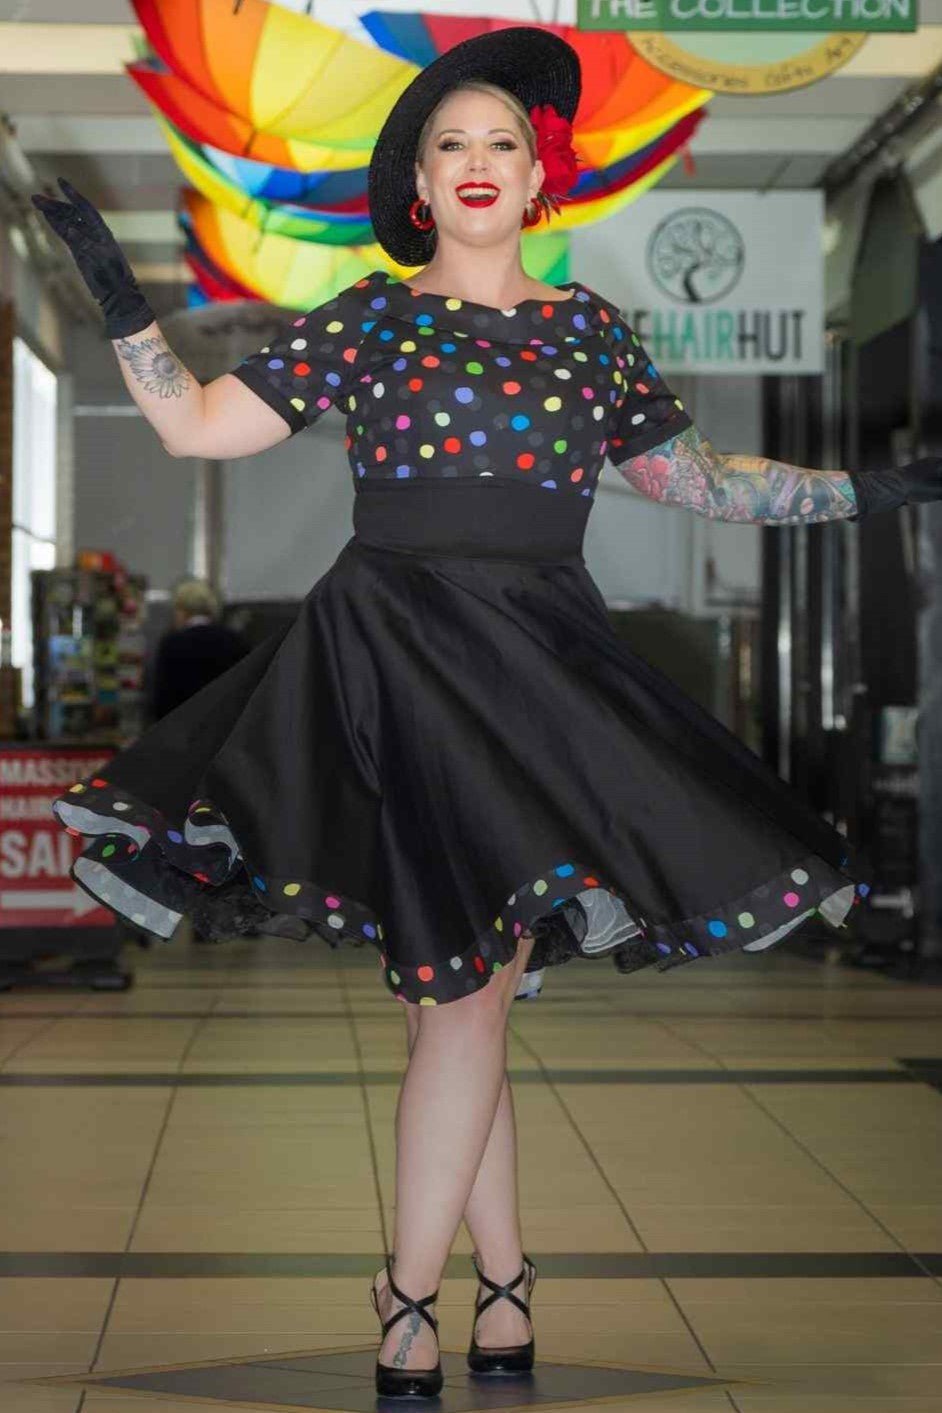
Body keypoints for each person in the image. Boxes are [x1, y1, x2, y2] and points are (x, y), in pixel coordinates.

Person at [33, 27, 940, 1400]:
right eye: (449, 142)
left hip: (535, 675)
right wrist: (120, 303)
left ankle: (427, 1297)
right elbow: (200, 431)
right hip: (390, 663)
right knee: (457, 1006)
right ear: (416, 183)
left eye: (500, 142)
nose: (474, 161)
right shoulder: (370, 315)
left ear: (537, 180)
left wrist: (862, 492)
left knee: (464, 1001)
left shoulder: (589, 334)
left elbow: (698, 483)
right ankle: (478, 1292)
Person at [149, 578, 249, 721]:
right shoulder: (235, 641)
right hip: (226, 726)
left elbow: (163, 697)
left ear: (182, 610)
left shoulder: (172, 644)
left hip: (185, 728)